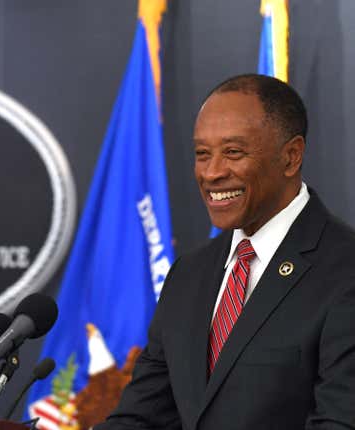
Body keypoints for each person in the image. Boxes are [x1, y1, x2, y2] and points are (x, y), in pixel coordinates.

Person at [94, 74, 355, 429]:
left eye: (233, 152)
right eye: (203, 154)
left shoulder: (344, 269)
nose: (212, 173)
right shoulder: (188, 275)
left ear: (291, 157)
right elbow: (143, 418)